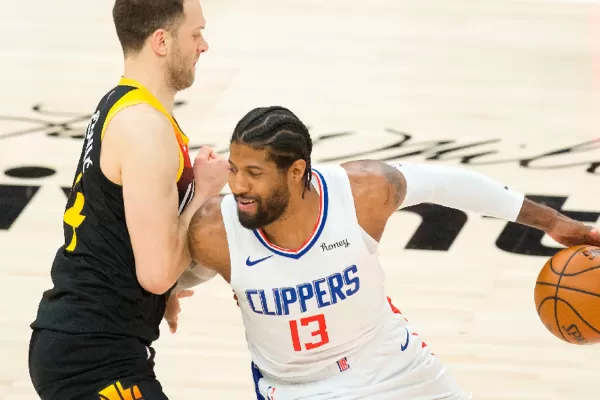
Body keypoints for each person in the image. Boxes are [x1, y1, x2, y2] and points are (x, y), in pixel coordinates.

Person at [170, 106, 600, 400]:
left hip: (394, 368)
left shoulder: (361, 192)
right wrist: (166, 292)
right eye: (234, 170)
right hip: (298, 389)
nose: (238, 185)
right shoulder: (214, 229)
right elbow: (162, 270)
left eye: (253, 173)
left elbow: (449, 185)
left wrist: (551, 221)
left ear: (297, 171)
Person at [28, 1, 229, 399]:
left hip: (93, 342)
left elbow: (114, 224)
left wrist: (162, 297)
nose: (203, 45)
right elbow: (155, 273)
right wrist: (204, 193)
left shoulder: (122, 103)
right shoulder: (143, 128)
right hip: (91, 355)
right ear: (161, 41)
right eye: (195, 33)